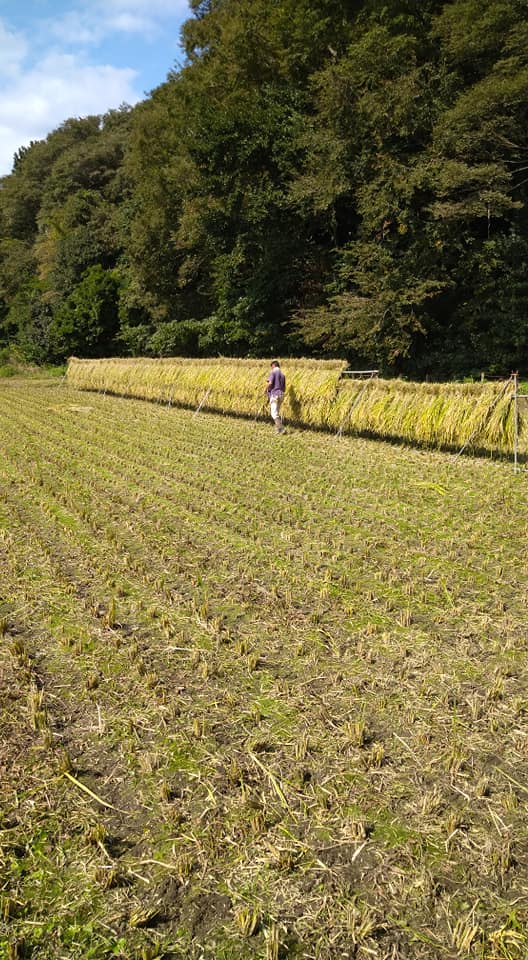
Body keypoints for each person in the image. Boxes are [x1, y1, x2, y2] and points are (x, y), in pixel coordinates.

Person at [266, 360, 286, 433]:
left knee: (273, 413)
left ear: (273, 366)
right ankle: (278, 430)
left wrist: (265, 389)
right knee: (276, 412)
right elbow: (284, 389)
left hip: (274, 394)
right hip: (281, 395)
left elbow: (270, 383)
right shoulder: (283, 375)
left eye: (271, 367)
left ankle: (282, 428)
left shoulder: (273, 372)